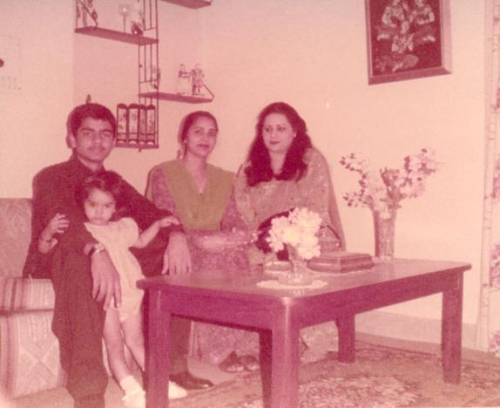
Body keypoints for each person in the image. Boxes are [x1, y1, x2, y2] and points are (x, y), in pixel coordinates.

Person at [22, 102, 211, 408]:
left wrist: (176, 234)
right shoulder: (51, 177)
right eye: (88, 134)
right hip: (59, 256)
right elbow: (64, 227)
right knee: (79, 262)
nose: (98, 141)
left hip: (108, 253)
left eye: (105, 134)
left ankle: (169, 366)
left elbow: (151, 213)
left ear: (114, 140)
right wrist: (97, 251)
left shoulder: (114, 183)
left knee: (171, 255)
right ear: (72, 138)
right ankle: (88, 389)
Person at [38, 170, 188, 407]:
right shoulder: (82, 230)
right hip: (106, 297)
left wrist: (158, 225)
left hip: (130, 293)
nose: (99, 212)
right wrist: (48, 230)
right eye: (93, 204)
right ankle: (131, 389)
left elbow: (140, 242)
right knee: (114, 344)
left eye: (107, 206)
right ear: (83, 204)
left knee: (136, 341)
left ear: (115, 206)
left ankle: (160, 382)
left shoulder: (124, 226)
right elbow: (46, 250)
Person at [146, 110, 260, 373]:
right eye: (198, 131)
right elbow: (165, 215)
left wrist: (236, 236)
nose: (205, 138)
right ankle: (221, 350)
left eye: (212, 133)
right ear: (184, 137)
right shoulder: (163, 172)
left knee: (238, 257)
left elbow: (233, 217)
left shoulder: (225, 177)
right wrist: (200, 239)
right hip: (178, 243)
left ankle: (246, 347)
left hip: (217, 245)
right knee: (216, 259)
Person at [234, 101, 345, 266]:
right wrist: (264, 240)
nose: (273, 135)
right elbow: (243, 211)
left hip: (306, 243)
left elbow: (316, 209)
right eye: (268, 129)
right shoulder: (249, 167)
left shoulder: (311, 161)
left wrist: (284, 236)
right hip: (261, 247)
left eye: (281, 129)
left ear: (294, 131)